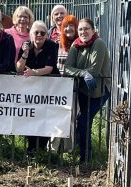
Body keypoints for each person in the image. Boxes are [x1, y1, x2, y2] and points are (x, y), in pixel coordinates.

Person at [64, 18, 111, 162]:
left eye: (86, 29)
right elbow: (67, 68)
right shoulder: (76, 45)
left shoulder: (99, 43)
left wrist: (81, 72)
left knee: (84, 121)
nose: (83, 32)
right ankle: (83, 152)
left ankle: (85, 157)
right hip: (83, 90)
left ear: (93, 30)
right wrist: (83, 73)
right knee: (83, 121)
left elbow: (95, 70)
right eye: (81, 29)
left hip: (99, 91)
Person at [16, 20, 59, 152]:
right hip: (30, 89)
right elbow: (18, 69)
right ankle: (31, 148)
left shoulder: (52, 46)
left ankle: (41, 148)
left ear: (47, 35)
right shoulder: (26, 46)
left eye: (42, 33)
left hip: (48, 89)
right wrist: (25, 54)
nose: (39, 35)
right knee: (30, 116)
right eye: (36, 32)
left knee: (44, 116)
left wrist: (34, 72)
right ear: (31, 34)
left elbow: (49, 68)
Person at [49, 15, 79, 153]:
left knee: (71, 119)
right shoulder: (57, 45)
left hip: (73, 88)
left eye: (71, 25)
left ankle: (69, 150)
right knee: (55, 117)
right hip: (58, 88)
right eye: (66, 26)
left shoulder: (80, 45)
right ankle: (53, 150)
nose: (68, 29)